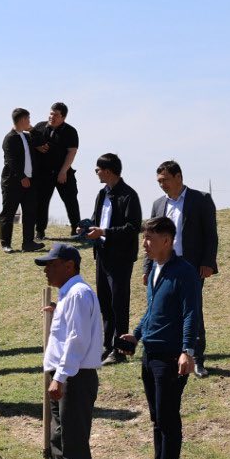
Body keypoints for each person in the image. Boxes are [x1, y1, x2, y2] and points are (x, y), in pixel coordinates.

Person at [120, 216, 201, 459]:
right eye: (144, 238)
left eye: (150, 239)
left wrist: (187, 351)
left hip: (171, 356)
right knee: (157, 416)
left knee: (168, 417)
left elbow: (192, 314)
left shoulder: (185, 272)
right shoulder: (156, 269)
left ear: (167, 240)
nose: (145, 244)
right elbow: (152, 310)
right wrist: (137, 334)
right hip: (150, 353)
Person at [34, 243, 103, 459]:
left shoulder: (78, 294)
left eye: (52, 264)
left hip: (73, 377)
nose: (47, 270)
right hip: (65, 375)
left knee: (73, 442)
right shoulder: (69, 295)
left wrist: (61, 377)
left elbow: (76, 339)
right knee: (59, 440)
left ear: (70, 266)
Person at [147, 160, 219, 377]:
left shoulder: (201, 200)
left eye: (166, 180)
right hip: (163, 267)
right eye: (159, 181)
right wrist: (147, 267)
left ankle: (197, 358)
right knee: (166, 310)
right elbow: (149, 238)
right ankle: (172, 355)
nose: (162, 185)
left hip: (191, 267)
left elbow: (210, 234)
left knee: (192, 310)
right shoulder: (159, 204)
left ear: (179, 177)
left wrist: (208, 262)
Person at [81, 153, 142, 362]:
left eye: (98, 169)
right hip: (103, 256)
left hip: (121, 258)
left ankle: (120, 350)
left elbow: (133, 227)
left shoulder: (129, 195)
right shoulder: (102, 194)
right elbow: (98, 220)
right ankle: (107, 346)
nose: (96, 173)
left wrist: (104, 232)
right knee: (104, 303)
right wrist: (88, 227)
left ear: (108, 170)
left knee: (119, 303)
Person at [32, 103, 82, 236]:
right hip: (43, 173)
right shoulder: (39, 127)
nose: (52, 117)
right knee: (41, 201)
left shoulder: (70, 131)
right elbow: (30, 141)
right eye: (51, 113)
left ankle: (76, 229)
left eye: (56, 115)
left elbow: (72, 152)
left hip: (63, 172)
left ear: (63, 117)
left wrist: (63, 171)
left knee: (71, 200)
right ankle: (40, 230)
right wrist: (37, 147)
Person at [0, 107, 41, 253]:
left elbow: (41, 141)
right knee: (9, 212)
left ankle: (28, 243)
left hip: (30, 181)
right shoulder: (9, 138)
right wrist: (22, 177)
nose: (30, 122)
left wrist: (32, 130)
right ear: (22, 119)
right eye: (28, 119)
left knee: (30, 212)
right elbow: (11, 161)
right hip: (13, 182)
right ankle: (6, 243)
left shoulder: (27, 136)